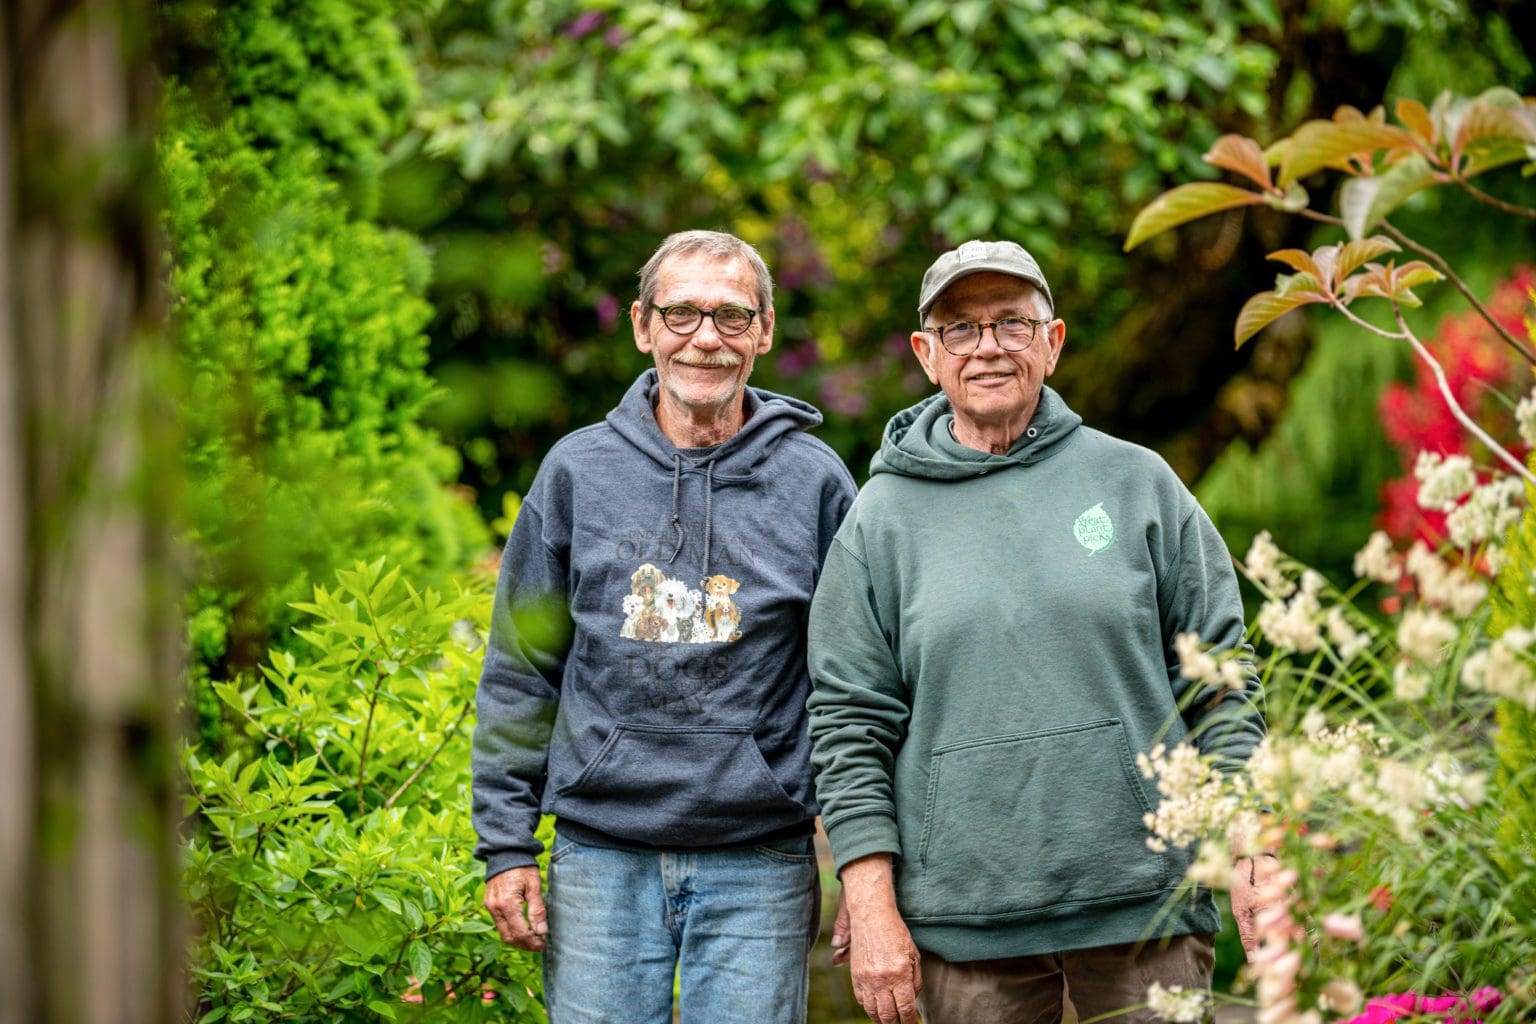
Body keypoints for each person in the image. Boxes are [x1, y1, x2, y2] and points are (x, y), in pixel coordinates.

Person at [806, 239, 1271, 1024]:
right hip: (966, 923)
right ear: (927, 355)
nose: (987, 347)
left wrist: (1254, 843)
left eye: (1013, 324)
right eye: (961, 328)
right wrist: (870, 896)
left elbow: (1220, 681)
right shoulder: (878, 521)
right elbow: (849, 723)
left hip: (1145, 910)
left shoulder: (1138, 484)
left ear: (1052, 344)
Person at [471, 229, 856, 1024]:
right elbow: (522, 666)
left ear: (766, 331)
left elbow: (853, 683)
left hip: (762, 857)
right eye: (681, 314)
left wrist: (863, 867)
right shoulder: (577, 472)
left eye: (731, 316)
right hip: (599, 853)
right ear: (643, 327)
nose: (706, 338)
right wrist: (507, 846)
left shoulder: (816, 484)